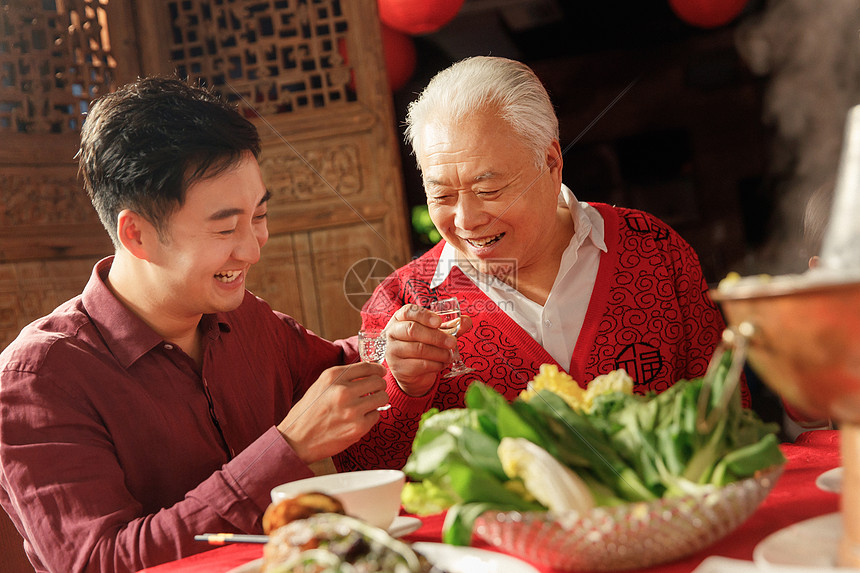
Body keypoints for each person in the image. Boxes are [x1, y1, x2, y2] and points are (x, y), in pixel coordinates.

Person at [0, 76, 391, 573]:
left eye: (260, 215)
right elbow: (101, 562)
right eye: (226, 228)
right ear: (137, 233)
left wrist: (394, 350)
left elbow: (337, 368)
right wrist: (287, 448)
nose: (251, 248)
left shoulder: (243, 318)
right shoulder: (38, 379)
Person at [337, 56, 748, 472]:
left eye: (489, 189)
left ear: (551, 163)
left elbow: (729, 416)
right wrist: (406, 388)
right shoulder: (400, 303)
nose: (465, 220)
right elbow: (368, 473)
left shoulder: (654, 251)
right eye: (442, 196)